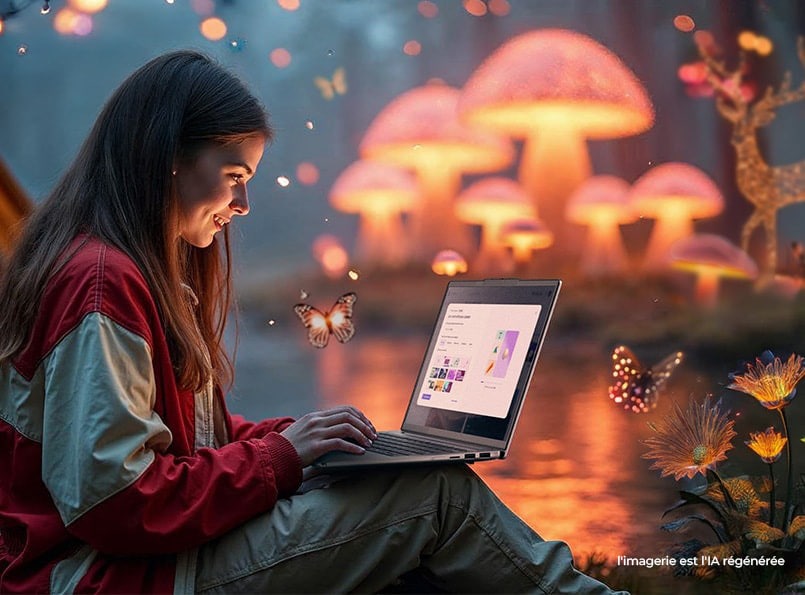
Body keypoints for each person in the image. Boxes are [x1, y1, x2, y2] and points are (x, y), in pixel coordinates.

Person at [0, 50, 626, 594]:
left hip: (141, 563)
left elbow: (187, 442)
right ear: (168, 157)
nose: (242, 205)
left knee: (412, 484)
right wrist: (280, 459)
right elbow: (114, 500)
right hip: (106, 577)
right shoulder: (102, 284)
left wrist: (301, 438)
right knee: (436, 495)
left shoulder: (120, 269)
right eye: (234, 177)